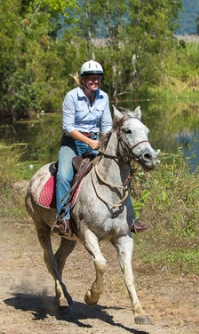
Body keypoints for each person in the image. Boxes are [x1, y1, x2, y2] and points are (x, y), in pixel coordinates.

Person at [52, 60, 147, 236]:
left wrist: (107, 141)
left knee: (121, 172)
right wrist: (89, 142)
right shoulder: (71, 97)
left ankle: (131, 218)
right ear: (83, 80)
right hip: (71, 143)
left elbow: (105, 125)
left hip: (96, 141)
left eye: (98, 78)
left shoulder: (103, 97)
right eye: (91, 78)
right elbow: (68, 127)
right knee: (64, 176)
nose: (95, 81)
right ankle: (62, 219)